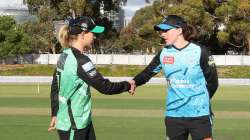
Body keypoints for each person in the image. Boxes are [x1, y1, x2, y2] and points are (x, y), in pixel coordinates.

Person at [129, 15, 219, 140]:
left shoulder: (201, 51)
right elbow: (147, 73)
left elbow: (213, 82)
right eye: (161, 31)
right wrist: (134, 82)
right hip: (174, 115)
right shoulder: (164, 53)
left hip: (200, 115)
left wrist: (200, 101)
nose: (162, 34)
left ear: (179, 30)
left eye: (166, 30)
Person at [48, 16, 134, 140]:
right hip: (74, 126)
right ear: (83, 34)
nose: (94, 36)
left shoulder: (64, 55)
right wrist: (127, 85)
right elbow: (104, 87)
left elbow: (55, 87)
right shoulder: (81, 60)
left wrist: (55, 113)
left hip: (81, 121)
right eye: (93, 33)